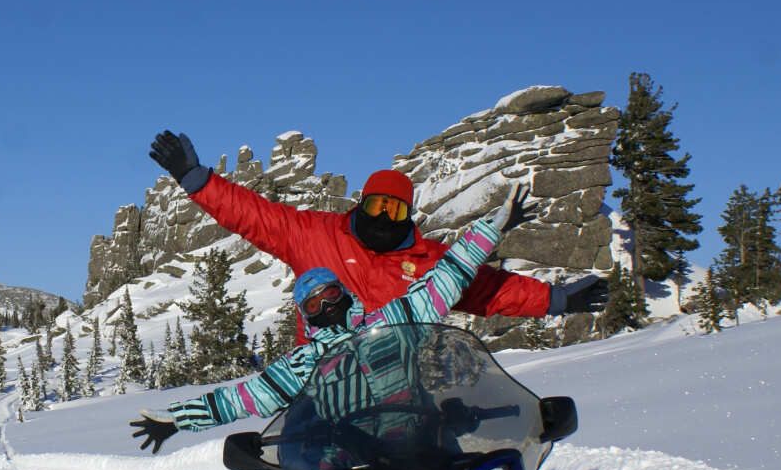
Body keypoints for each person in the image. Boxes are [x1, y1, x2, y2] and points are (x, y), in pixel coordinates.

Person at [130, 184, 529, 453]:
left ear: (346, 294)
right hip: (350, 459)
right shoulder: (303, 364)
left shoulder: (388, 323)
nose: (326, 307)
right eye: (315, 305)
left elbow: (445, 280)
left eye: (331, 295)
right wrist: (178, 419)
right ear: (306, 316)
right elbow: (244, 398)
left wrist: (491, 229)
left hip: (417, 443)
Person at [147, 130, 609, 339]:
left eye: (395, 209)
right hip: (328, 383)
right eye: (376, 205)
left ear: (408, 215)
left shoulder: (431, 259)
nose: (384, 217)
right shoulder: (314, 234)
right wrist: (196, 179)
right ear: (361, 203)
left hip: (410, 389)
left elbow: (491, 291)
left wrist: (555, 300)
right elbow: (252, 215)